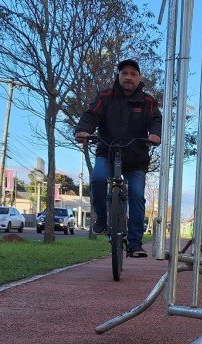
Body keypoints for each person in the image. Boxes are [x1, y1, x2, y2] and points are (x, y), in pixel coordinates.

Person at [75, 59, 162, 258]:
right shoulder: (105, 96)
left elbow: (156, 119)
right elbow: (91, 115)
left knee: (137, 196)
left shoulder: (147, 101)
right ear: (119, 76)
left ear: (139, 78)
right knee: (98, 179)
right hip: (108, 151)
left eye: (133, 73)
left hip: (136, 157)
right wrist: (83, 130)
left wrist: (155, 134)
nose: (128, 77)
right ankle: (102, 220)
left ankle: (134, 243)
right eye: (124, 73)